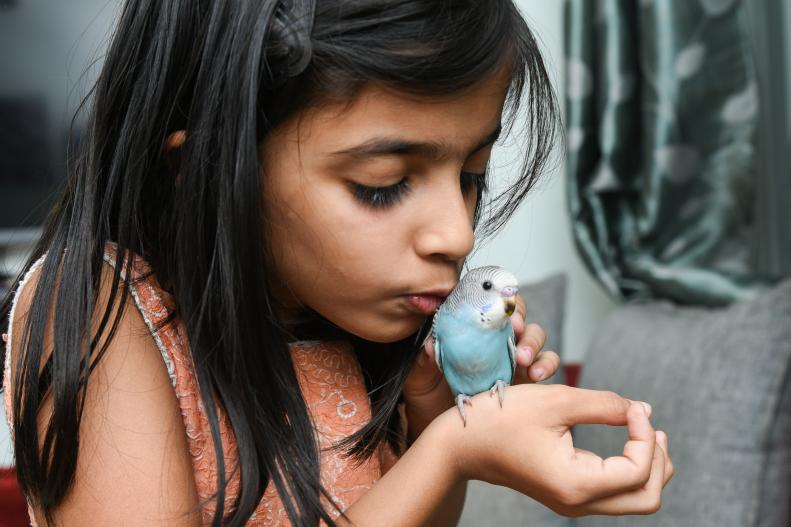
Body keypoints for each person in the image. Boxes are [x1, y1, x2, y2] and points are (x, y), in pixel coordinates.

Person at [0, 1, 674, 526]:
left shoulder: (351, 310)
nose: (455, 231)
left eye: (471, 174)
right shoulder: (100, 311)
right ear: (206, 170)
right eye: (380, 184)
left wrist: (442, 413)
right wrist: (452, 450)